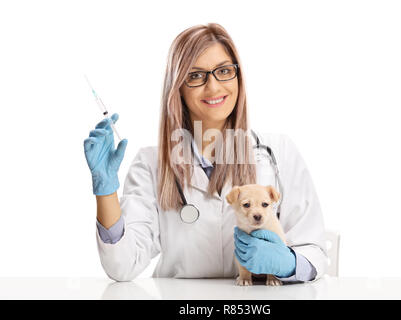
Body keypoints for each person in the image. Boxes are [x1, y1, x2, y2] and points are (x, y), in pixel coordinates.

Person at [83, 23, 328, 283]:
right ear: (177, 87)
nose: (213, 88)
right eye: (196, 75)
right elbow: (122, 266)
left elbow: (314, 253)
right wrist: (105, 190)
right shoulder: (150, 164)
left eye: (224, 71)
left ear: (238, 77)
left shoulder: (279, 153)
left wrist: (288, 264)